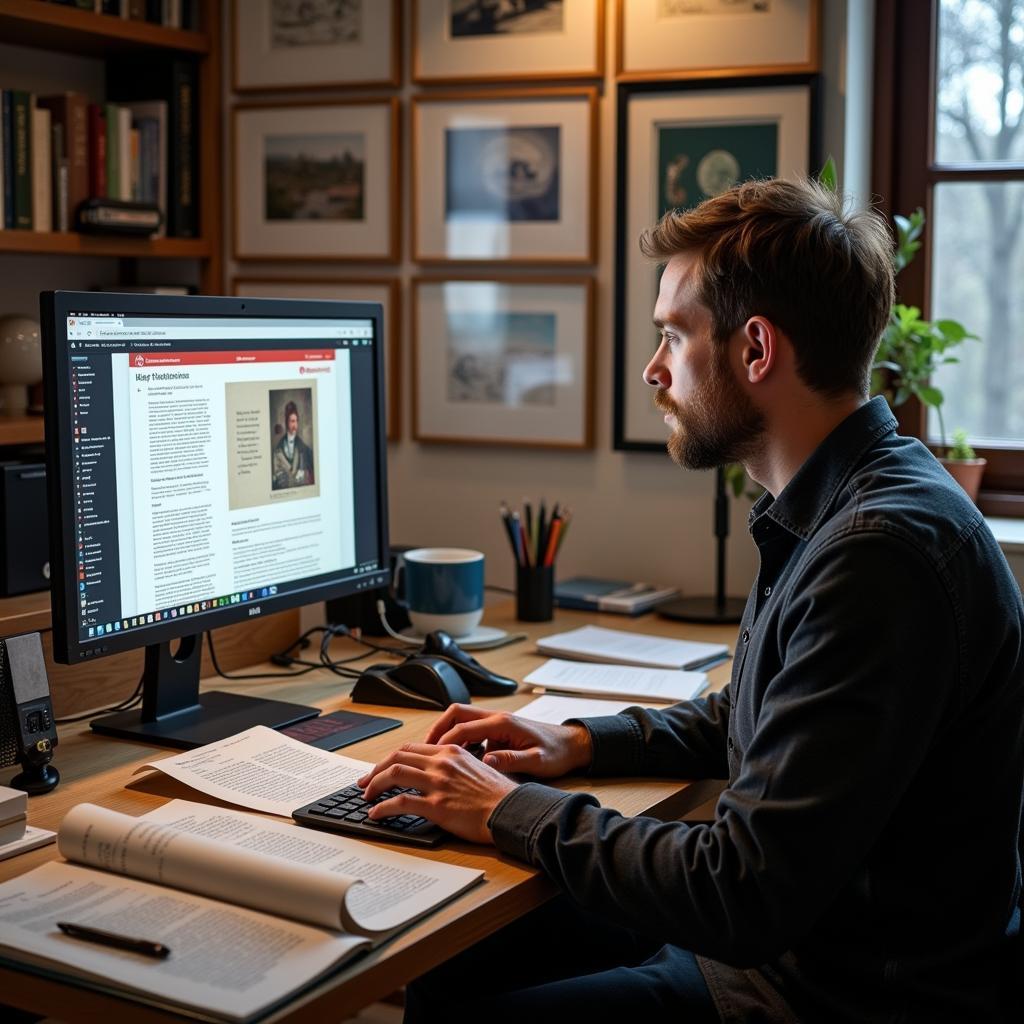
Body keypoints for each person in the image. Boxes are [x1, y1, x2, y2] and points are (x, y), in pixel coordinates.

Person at [358, 178, 1024, 1022]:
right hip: (803, 947)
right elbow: (759, 716)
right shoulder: (856, 496)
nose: (653, 368)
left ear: (756, 350)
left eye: (673, 334)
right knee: (461, 960)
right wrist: (573, 743)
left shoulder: (875, 553)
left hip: (827, 993)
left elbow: (741, 891)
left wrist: (508, 807)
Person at [272, 400, 314, 489]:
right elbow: (276, 472)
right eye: (292, 421)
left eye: (296, 421)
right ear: (287, 422)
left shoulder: (303, 447)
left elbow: (313, 466)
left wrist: (304, 473)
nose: (295, 425)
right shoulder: (278, 448)